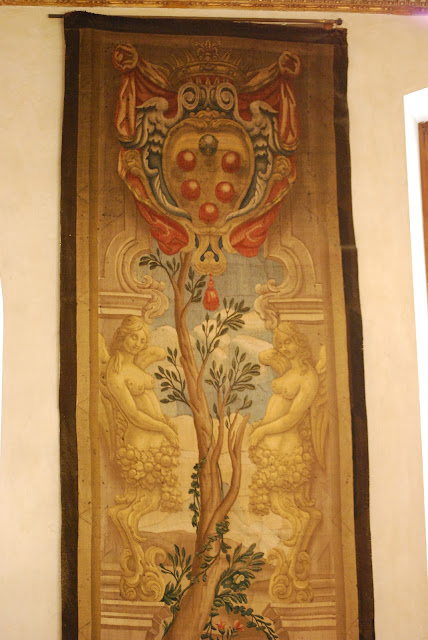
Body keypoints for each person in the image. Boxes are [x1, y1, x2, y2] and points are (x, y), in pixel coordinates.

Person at [106, 315, 181, 512]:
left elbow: (158, 353)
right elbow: (133, 415)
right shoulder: (115, 371)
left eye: (142, 340)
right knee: (140, 503)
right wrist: (164, 428)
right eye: (133, 337)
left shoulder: (134, 364)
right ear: (123, 335)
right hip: (139, 442)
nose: (138, 344)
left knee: (151, 503)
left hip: (154, 439)